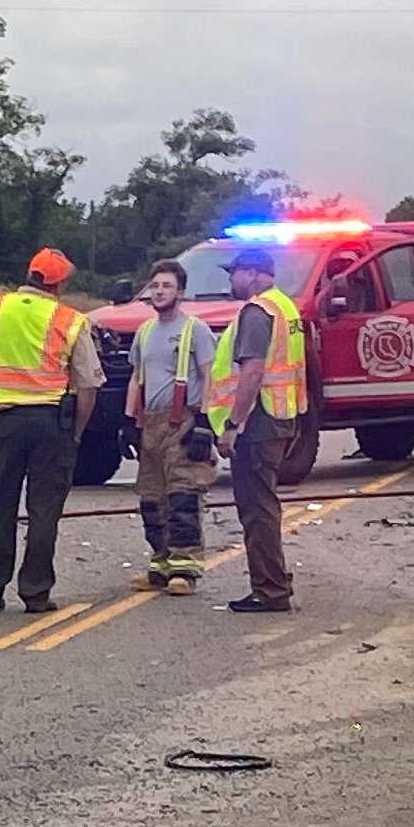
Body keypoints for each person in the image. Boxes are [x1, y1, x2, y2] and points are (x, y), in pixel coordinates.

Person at [0, 247, 97, 614]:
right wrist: (76, 433)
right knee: (43, 511)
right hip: (51, 425)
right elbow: (87, 387)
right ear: (58, 283)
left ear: (30, 275)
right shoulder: (68, 320)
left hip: (3, 423)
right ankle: (35, 593)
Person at [204, 239, 309, 613]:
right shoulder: (285, 306)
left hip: (258, 422)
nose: (232, 281)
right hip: (282, 416)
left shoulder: (256, 311)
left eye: (234, 273)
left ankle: (270, 590)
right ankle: (274, 583)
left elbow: (252, 372)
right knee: (265, 505)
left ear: (251, 274)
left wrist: (233, 424)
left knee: (257, 508)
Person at [123, 259, 219, 593]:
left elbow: (209, 375)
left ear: (181, 292)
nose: (160, 291)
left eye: (167, 286)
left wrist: (205, 423)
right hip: (150, 423)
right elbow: (137, 377)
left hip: (184, 421)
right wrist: (128, 420)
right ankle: (160, 563)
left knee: (183, 496)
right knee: (151, 498)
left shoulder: (196, 330)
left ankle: (185, 570)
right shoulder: (145, 332)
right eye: (156, 286)